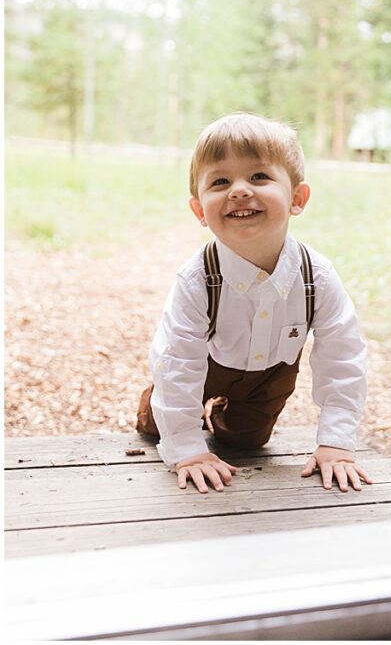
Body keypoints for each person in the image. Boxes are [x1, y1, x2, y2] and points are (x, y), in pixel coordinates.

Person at [136, 113, 370, 494]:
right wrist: (188, 450)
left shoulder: (318, 277)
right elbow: (178, 361)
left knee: (247, 441)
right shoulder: (197, 279)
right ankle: (160, 408)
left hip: (271, 374)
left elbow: (342, 359)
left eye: (259, 177)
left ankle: (221, 419)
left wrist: (336, 444)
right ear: (199, 210)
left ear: (297, 198)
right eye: (220, 181)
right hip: (206, 363)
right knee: (158, 421)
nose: (239, 190)